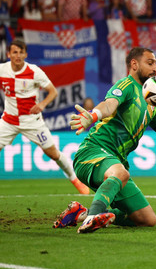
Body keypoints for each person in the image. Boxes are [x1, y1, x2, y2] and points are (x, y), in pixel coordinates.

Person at [52, 47, 156, 233]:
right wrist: (93, 115)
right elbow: (109, 105)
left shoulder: (153, 105)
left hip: (116, 164)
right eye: (150, 63)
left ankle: (80, 213)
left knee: (147, 219)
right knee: (121, 173)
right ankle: (91, 218)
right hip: (93, 152)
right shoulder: (126, 86)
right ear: (134, 64)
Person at [0, 39, 89, 194]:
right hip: (9, 120)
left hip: (32, 122)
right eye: (15, 52)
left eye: (21, 52)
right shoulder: (2, 70)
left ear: (26, 54)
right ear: (8, 54)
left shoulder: (34, 71)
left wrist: (42, 105)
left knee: (53, 154)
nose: (18, 55)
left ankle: (74, 179)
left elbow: (53, 91)